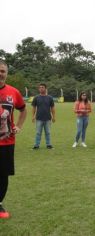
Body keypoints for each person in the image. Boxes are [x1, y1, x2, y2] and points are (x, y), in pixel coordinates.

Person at [0, 61, 27, 219]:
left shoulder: (14, 92)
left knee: (3, 175)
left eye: (3, 71)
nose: (0, 73)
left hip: (6, 141)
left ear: (6, 73)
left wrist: (18, 126)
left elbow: (23, 110)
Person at [31, 83, 55, 149]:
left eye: (42, 87)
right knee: (38, 133)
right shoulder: (36, 98)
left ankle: (49, 145)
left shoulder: (50, 98)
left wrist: (53, 117)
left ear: (45, 88)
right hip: (39, 118)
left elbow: (52, 108)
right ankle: (36, 145)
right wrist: (33, 116)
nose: (41, 88)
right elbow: (34, 108)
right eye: (40, 87)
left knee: (48, 132)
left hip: (48, 118)